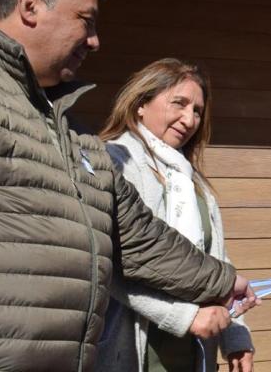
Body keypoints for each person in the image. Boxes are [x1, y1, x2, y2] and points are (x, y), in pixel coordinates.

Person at [0, 0, 258, 371]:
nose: (95, 41)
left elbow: (135, 238)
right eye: (85, 21)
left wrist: (225, 282)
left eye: (198, 110)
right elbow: (119, 275)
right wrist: (187, 314)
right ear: (30, 6)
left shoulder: (72, 134)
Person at [96, 59, 254, 371]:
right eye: (178, 104)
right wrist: (184, 317)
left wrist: (235, 335)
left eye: (197, 110)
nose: (190, 118)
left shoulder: (192, 180)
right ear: (141, 104)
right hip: (133, 349)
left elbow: (219, 261)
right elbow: (109, 263)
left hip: (193, 352)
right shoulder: (115, 162)